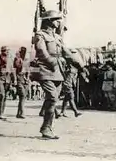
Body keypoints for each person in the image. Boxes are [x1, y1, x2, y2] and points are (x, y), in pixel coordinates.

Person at [31, 10, 86, 140]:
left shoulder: (57, 37)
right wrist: (53, 61)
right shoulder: (40, 35)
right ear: (49, 21)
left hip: (58, 72)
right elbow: (41, 52)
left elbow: (66, 53)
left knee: (52, 101)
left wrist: (81, 65)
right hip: (45, 70)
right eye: (56, 19)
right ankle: (47, 128)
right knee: (52, 97)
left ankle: (46, 127)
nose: (59, 22)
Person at [0, 46, 12, 120]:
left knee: (4, 97)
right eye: (5, 51)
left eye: (8, 50)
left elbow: (12, 69)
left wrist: (13, 80)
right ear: (2, 51)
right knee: (2, 94)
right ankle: (0, 113)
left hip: (7, 79)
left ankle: (2, 112)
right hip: (0, 78)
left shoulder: (10, 59)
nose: (7, 52)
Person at [13, 46, 28, 118]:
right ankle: (22, 113)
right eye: (22, 52)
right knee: (22, 95)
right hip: (19, 79)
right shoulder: (17, 59)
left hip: (24, 80)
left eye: (25, 52)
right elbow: (15, 70)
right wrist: (15, 80)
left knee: (23, 97)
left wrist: (27, 78)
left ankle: (18, 113)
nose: (24, 53)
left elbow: (27, 70)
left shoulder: (26, 60)